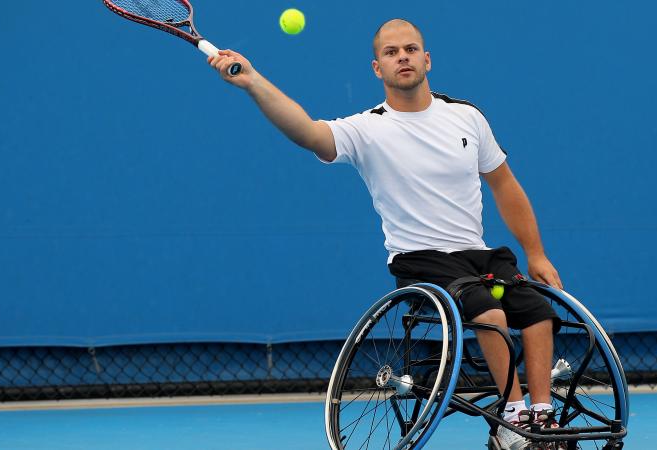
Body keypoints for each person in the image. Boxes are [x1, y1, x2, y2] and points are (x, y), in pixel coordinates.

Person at [208, 18, 564, 450]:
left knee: (536, 309)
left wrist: (537, 253)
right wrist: (252, 81)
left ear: (427, 59)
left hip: (478, 255)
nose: (403, 58)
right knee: (490, 314)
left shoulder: (467, 118)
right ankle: (513, 420)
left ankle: (541, 415)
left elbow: (505, 185)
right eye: (392, 53)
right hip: (420, 259)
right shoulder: (367, 129)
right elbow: (308, 132)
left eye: (411, 49)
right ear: (378, 68)